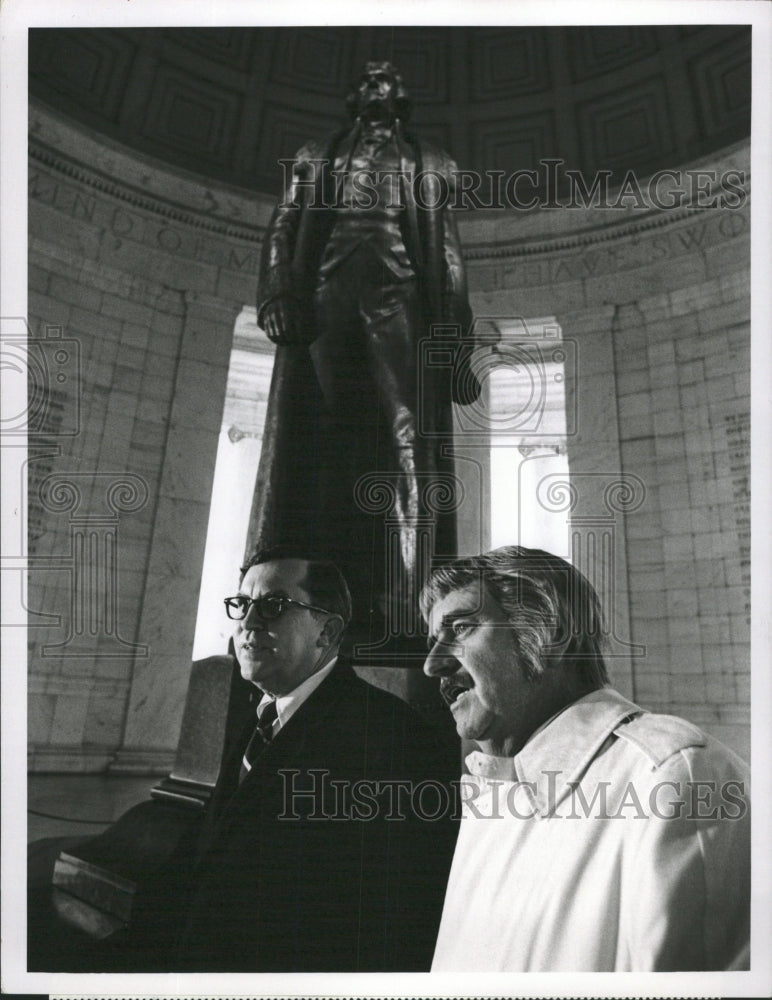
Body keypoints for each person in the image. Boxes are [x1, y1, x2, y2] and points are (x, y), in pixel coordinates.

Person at [420, 545, 750, 972]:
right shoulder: (488, 789)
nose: (431, 665)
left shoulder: (675, 776)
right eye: (433, 640)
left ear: (551, 634)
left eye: (461, 627)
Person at [250, 61, 480, 636]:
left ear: (401, 98)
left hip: (398, 297)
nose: (379, 83)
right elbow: (284, 226)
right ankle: (316, 602)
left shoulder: (429, 159)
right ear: (354, 95)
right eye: (369, 77)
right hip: (328, 294)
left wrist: (454, 339)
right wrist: (279, 289)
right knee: (322, 437)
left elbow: (447, 252)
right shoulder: (315, 153)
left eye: (389, 78)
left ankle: (410, 601)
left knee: (407, 437)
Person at [174, 546, 459, 971]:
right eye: (242, 605)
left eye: (273, 606)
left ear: (326, 633)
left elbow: (390, 917)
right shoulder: (259, 714)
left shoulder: (394, 738)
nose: (248, 624)